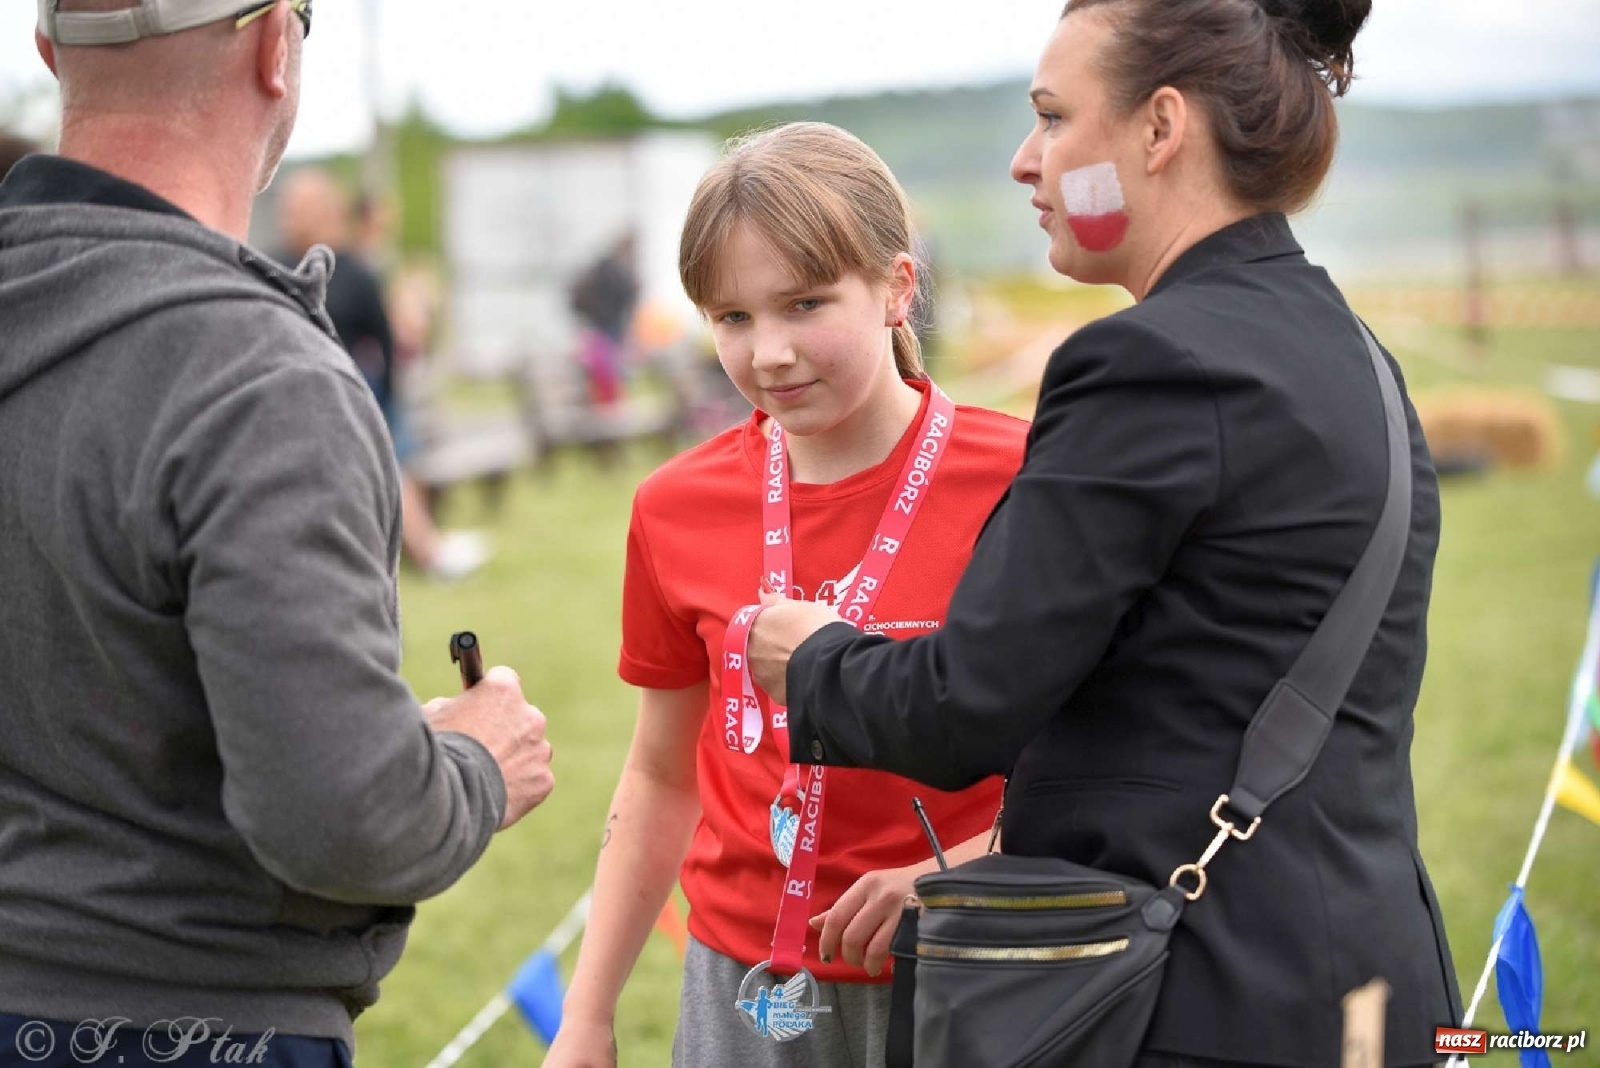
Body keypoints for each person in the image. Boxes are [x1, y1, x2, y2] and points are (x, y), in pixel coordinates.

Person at [747, 4, 1461, 1068]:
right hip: (1373, 977)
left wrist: (809, 659)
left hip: (1210, 1002)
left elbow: (960, 707)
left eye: (1051, 117)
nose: (1024, 162)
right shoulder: (1349, 348)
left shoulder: (1153, 362)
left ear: (1160, 128)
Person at [0, 3, 552, 1065]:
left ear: (50, 48)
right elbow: (342, 822)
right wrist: (476, 764)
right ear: (272, 51)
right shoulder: (255, 376)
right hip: (193, 1023)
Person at [544, 122, 1028, 1068]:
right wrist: (587, 1014)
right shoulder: (675, 507)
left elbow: (1106, 762)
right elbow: (659, 773)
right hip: (740, 988)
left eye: (805, 304)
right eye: (731, 317)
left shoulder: (1026, 479)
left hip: (971, 965)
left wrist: (954, 879)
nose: (769, 354)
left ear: (897, 286)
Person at [276, 166, 489, 581]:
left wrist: (387, 402)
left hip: (348, 399)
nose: (288, 218)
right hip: (293, 403)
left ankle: (426, 550)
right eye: (287, 209)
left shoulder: (352, 273)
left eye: (297, 209)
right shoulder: (275, 265)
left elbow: (384, 341)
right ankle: (428, 549)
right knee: (390, 461)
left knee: (392, 458)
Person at [570, 232, 641, 409]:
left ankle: (610, 404)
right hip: (609, 325)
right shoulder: (618, 270)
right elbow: (628, 296)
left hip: (598, 323)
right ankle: (611, 406)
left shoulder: (601, 267)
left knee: (606, 366)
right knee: (609, 367)